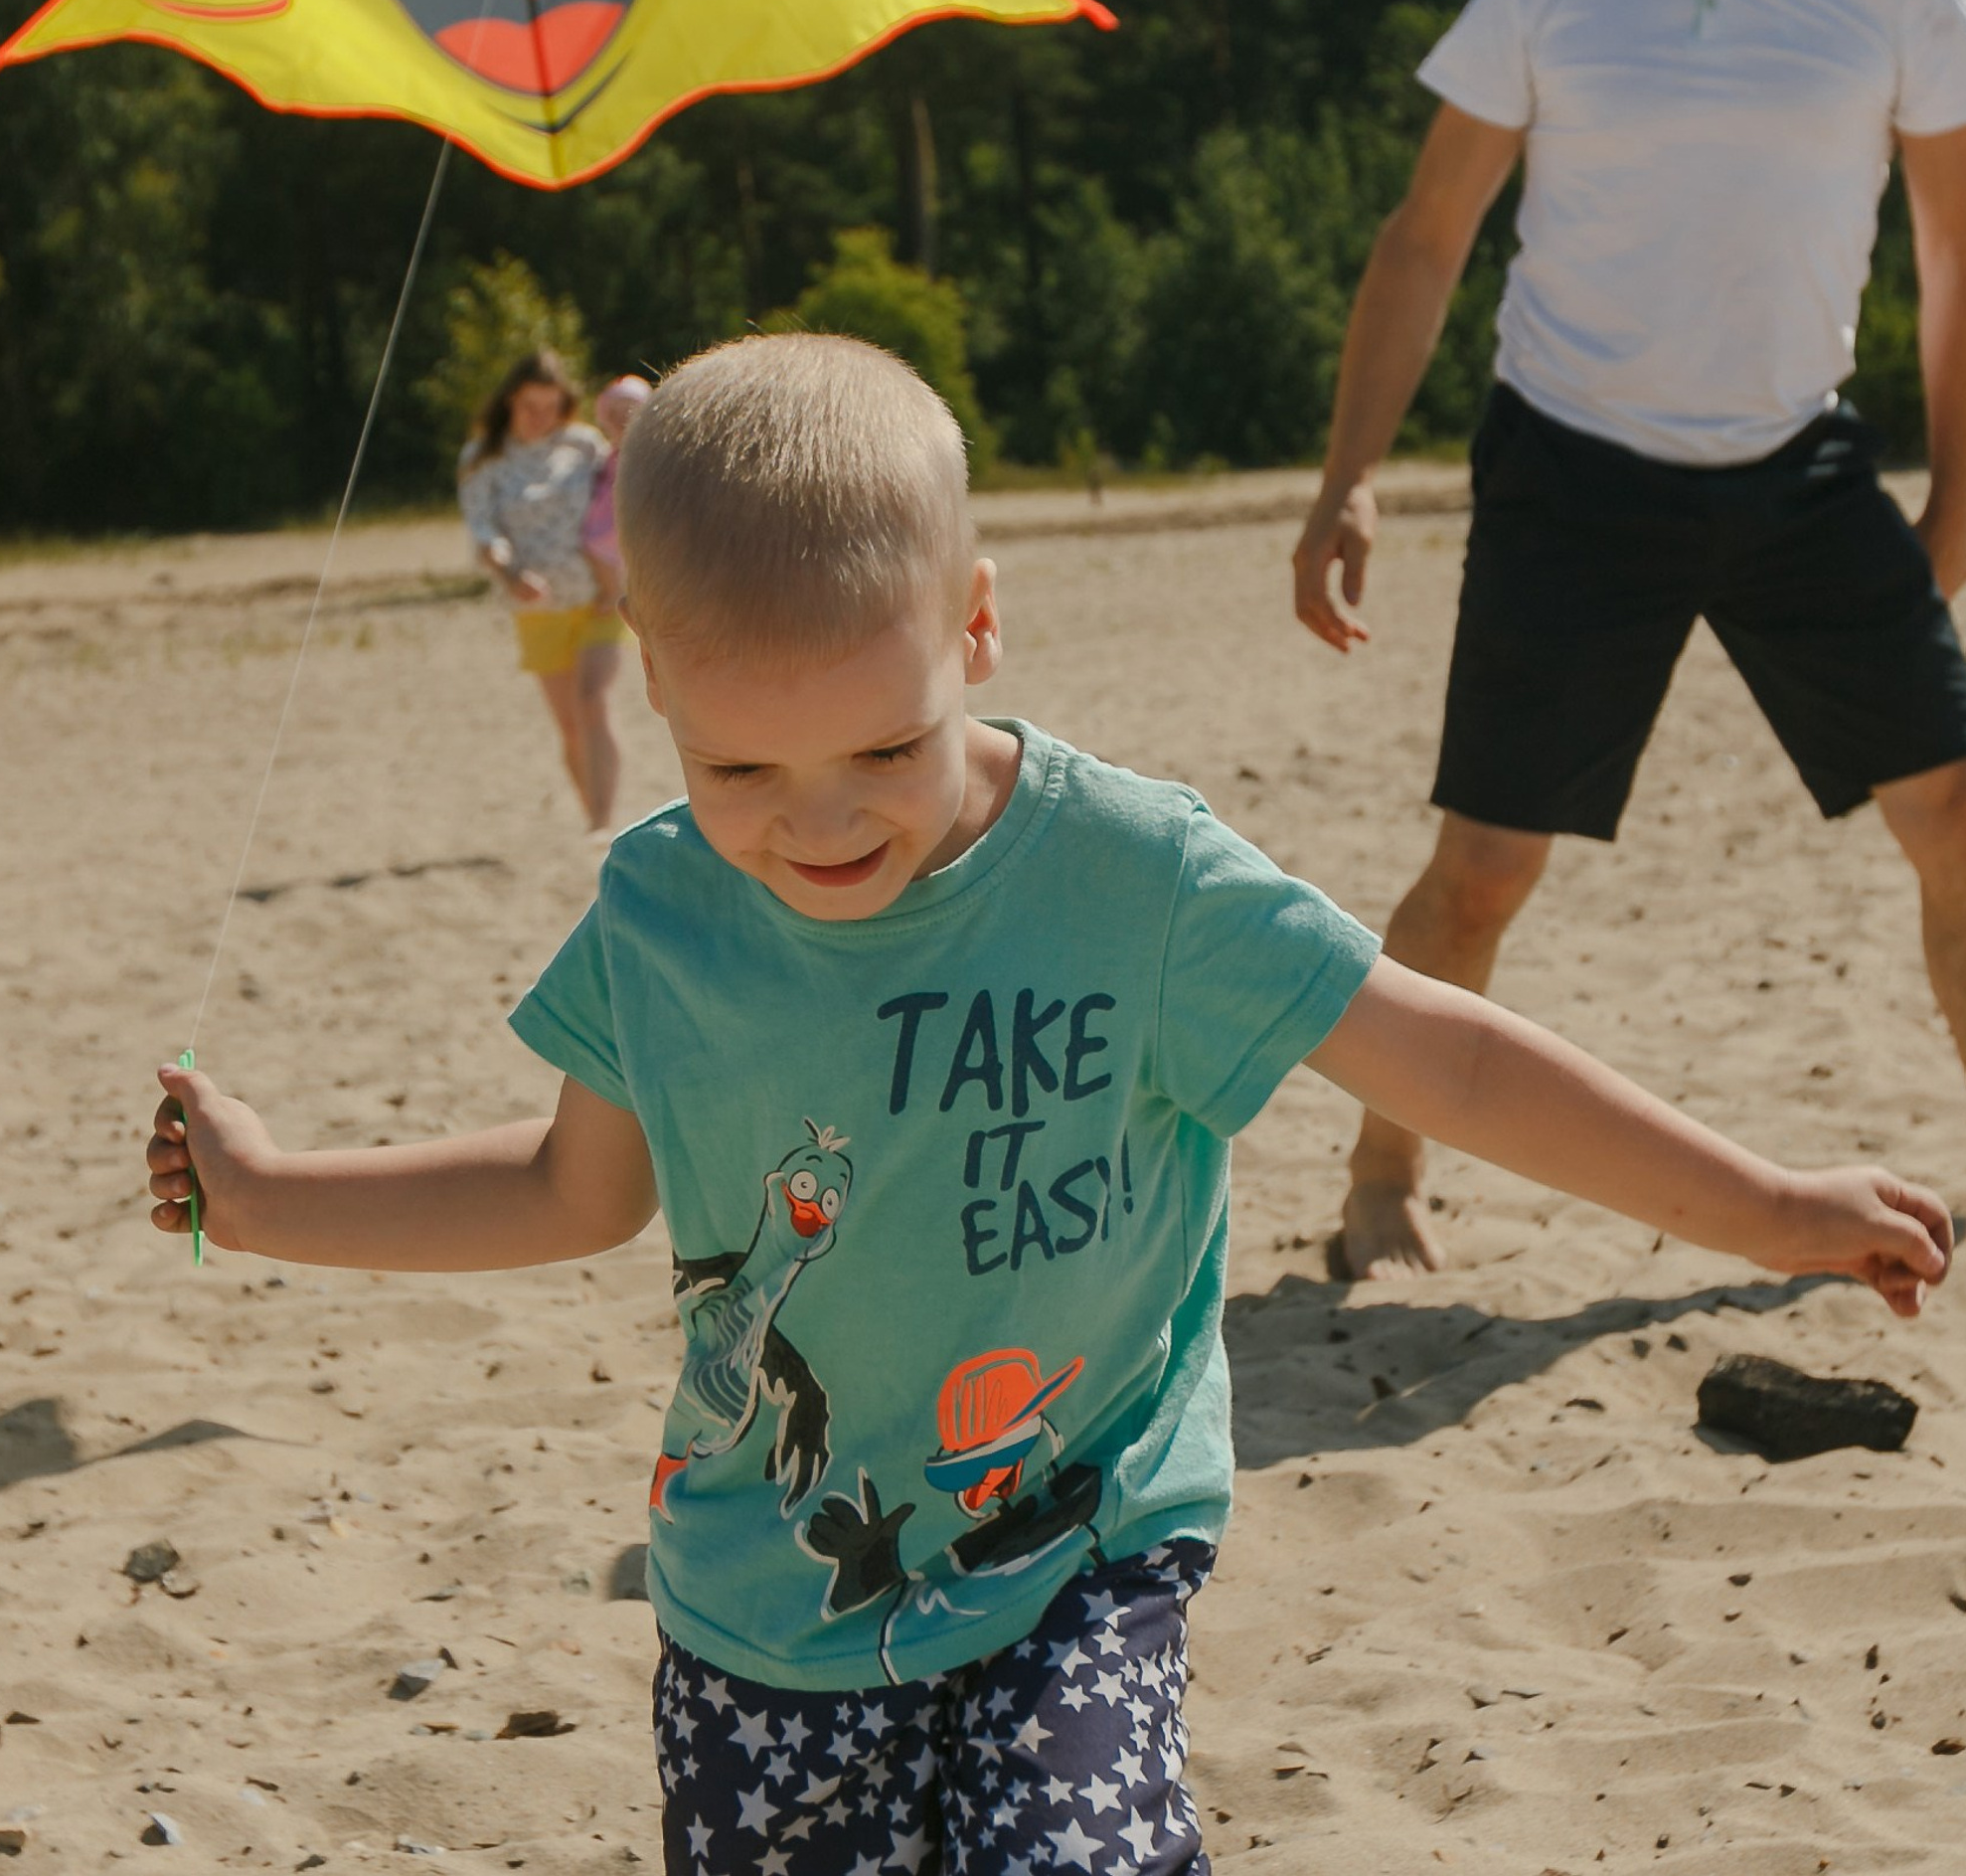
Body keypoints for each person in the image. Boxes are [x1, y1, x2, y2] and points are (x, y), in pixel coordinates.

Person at [150, 334, 1948, 1876]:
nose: (820, 821)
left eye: (882, 746)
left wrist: (1773, 1210)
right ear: (655, 674)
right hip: (760, 1609)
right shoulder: (661, 911)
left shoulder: (1132, 882)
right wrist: (273, 1192)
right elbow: (567, 1192)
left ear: (980, 626)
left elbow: (1448, 1056)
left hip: (1080, 1546)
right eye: (738, 768)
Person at [1291, 0, 1966, 1281]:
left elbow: (1958, 257)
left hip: (1801, 471)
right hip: (1574, 475)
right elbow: (1427, 234)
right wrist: (1347, 476)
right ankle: (1382, 1182)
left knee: (1958, 816)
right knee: (1484, 870)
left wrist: (1961, 491)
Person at [458, 348, 625, 831]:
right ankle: (594, 818)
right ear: (511, 400)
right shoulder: (482, 457)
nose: (541, 418)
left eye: (551, 407)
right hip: (537, 605)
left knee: (594, 701)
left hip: (601, 596)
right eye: (531, 407)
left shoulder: (584, 445)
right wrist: (510, 574)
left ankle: (604, 821)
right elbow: (483, 530)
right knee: (572, 727)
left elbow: (618, 494)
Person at [581, 373, 652, 610]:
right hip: (606, 510)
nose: (622, 420)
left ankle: (614, 593)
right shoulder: (608, 452)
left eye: (629, 413)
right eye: (615, 414)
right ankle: (612, 591)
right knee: (594, 547)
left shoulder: (646, 453)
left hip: (625, 514)